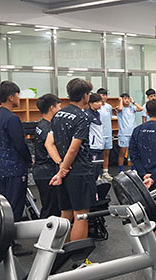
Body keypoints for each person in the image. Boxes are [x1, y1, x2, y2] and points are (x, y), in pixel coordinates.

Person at [48, 78, 95, 241]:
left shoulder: (58, 114)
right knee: (81, 215)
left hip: (63, 169)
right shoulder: (82, 117)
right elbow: (73, 149)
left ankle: (59, 254)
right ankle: (78, 259)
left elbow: (51, 143)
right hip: (78, 171)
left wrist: (61, 168)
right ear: (85, 96)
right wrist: (63, 170)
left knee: (65, 213)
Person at [129, 99, 156, 239]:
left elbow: (133, 154)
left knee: (143, 212)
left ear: (146, 112)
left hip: (141, 178)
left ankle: (143, 247)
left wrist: (144, 174)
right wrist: (153, 177)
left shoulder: (138, 130)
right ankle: (155, 248)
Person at [0, 81, 32, 222]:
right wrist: (29, 160)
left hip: (0, 169)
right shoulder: (12, 118)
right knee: (15, 206)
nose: (19, 98)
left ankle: (5, 240)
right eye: (18, 95)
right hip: (15, 170)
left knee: (4, 207)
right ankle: (9, 241)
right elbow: (19, 144)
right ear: (11, 97)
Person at [33, 94, 62, 219]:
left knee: (50, 206)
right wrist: (61, 164)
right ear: (52, 108)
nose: (60, 109)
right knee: (50, 209)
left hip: (42, 171)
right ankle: (45, 235)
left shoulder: (42, 124)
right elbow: (51, 148)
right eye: (59, 106)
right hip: (47, 172)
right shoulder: (47, 128)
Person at [116, 93, 143, 172]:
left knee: (133, 152)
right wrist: (120, 101)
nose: (127, 100)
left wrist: (133, 102)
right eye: (125, 98)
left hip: (132, 133)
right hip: (123, 133)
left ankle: (133, 169)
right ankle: (121, 171)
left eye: (128, 98)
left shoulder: (132, 108)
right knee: (122, 152)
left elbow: (141, 109)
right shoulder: (119, 108)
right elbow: (120, 109)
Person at [86, 93, 104, 180]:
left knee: (97, 170)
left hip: (99, 145)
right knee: (92, 170)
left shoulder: (98, 114)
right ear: (90, 103)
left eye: (100, 101)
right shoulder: (87, 115)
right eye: (97, 102)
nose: (100, 103)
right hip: (92, 147)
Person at [97, 88, 114, 181]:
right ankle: (97, 174)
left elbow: (109, 118)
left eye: (105, 95)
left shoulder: (109, 107)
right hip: (99, 135)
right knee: (98, 155)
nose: (104, 97)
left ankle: (105, 172)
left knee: (106, 154)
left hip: (108, 133)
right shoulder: (96, 107)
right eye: (102, 95)